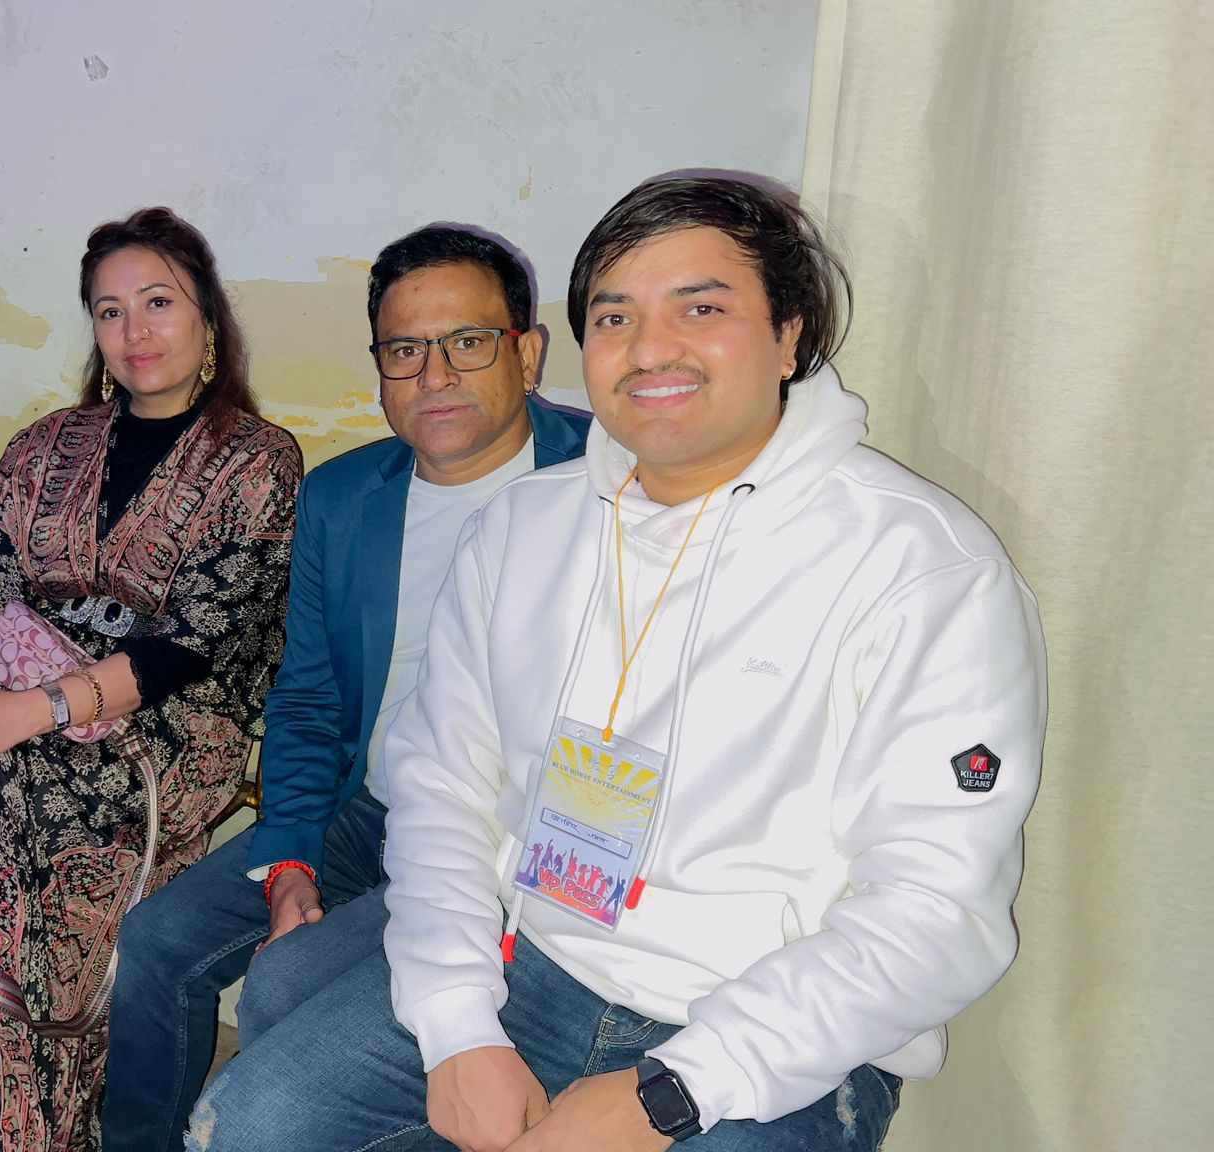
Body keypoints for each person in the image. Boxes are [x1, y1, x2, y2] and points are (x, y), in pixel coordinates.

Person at [191, 175, 1046, 1152]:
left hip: (773, 1025)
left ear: (789, 336)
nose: (649, 349)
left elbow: (935, 910)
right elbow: (442, 794)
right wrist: (459, 1024)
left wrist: (673, 1093)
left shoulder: (922, 568)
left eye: (701, 308)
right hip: (537, 962)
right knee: (252, 1123)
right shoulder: (521, 529)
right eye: (614, 316)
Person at [102, 225, 592, 1151]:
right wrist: (290, 862)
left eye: (468, 342)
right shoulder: (342, 495)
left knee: (291, 991)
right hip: (374, 806)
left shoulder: (608, 475)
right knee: (158, 943)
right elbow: (311, 698)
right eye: (404, 351)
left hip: (519, 832)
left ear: (527, 354)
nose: (434, 376)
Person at [0, 207, 303, 1151]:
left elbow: (196, 644)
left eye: (158, 303)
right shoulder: (47, 444)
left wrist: (22, 714)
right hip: (14, 693)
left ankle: (13, 1120)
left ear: (207, 316)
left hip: (167, 724)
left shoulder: (256, 463)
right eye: (109, 310)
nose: (134, 331)